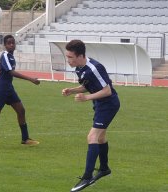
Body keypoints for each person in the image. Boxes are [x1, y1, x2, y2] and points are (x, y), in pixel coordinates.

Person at [62, 40, 120, 192]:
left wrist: (86, 98)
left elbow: (107, 90)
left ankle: (87, 177)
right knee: (100, 138)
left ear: (81, 55)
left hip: (108, 104)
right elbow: (87, 86)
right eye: (67, 57)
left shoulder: (95, 68)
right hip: (100, 104)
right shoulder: (80, 68)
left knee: (92, 137)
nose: (68, 60)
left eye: (70, 57)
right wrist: (72, 90)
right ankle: (104, 168)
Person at [0, 35, 40, 149]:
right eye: (9, 43)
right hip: (1, 88)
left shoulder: (11, 56)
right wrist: (31, 79)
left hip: (8, 88)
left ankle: (25, 138)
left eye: (13, 43)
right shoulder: (5, 55)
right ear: (5, 45)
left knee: (21, 110)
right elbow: (11, 72)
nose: (11, 45)